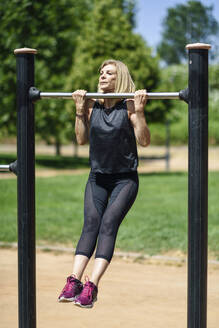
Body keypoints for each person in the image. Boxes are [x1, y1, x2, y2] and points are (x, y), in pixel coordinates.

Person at [58, 59, 150, 308]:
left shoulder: (129, 104)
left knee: (108, 224)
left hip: (124, 179)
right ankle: (74, 280)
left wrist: (140, 112)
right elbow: (80, 140)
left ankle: (92, 285)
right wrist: (78, 110)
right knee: (90, 224)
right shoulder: (90, 105)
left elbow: (144, 141)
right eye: (101, 72)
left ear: (119, 77)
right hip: (97, 176)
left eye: (109, 73)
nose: (102, 76)